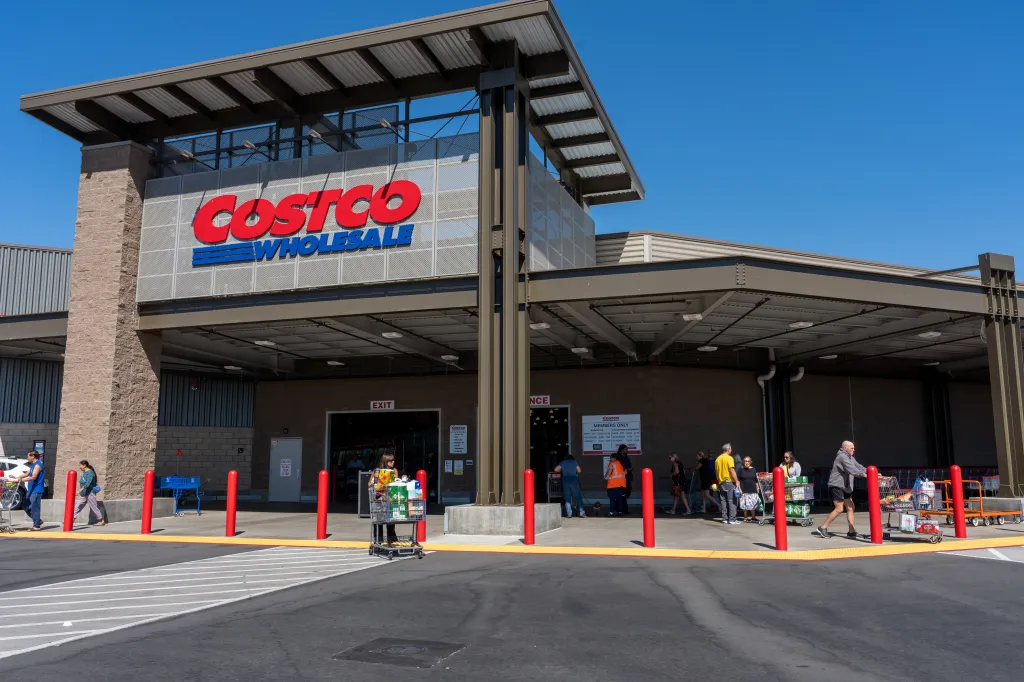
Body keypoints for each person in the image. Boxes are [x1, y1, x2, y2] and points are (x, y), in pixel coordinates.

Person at [817, 441, 868, 539]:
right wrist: (865, 475)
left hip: (845, 487)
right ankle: (822, 527)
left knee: (850, 507)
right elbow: (851, 470)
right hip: (837, 486)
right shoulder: (842, 457)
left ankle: (851, 532)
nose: (854, 450)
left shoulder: (850, 458)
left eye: (854, 448)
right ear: (845, 448)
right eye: (851, 448)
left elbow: (858, 467)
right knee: (839, 508)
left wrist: (871, 472)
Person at [369, 453, 399, 544]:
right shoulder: (377, 471)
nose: (393, 462)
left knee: (390, 521)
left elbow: (396, 481)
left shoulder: (394, 470)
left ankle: (392, 540)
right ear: (385, 461)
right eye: (390, 461)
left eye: (393, 460)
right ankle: (378, 540)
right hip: (379, 497)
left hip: (390, 497)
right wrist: (373, 483)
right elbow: (369, 483)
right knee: (378, 520)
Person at [16, 450, 45, 531]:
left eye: (28, 456)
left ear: (33, 456)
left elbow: (34, 477)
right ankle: (38, 520)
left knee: (34, 507)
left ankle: (36, 526)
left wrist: (23, 480)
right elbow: (27, 474)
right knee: (25, 505)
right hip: (31, 490)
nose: (27, 458)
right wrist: (18, 477)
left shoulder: (38, 465)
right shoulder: (33, 465)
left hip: (36, 489)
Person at [714, 444, 741, 525]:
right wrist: (736, 481)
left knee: (723, 500)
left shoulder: (718, 459)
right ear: (728, 449)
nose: (731, 450)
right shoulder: (729, 458)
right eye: (731, 449)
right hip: (729, 481)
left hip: (721, 482)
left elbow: (716, 471)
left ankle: (725, 518)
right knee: (732, 500)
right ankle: (732, 519)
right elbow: (732, 470)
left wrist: (719, 480)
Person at [74, 460, 106, 526]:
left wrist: (79, 491)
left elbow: (87, 484)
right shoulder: (84, 473)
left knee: (94, 507)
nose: (80, 467)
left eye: (80, 466)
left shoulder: (90, 473)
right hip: (83, 494)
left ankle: (101, 521)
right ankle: (71, 520)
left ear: (84, 465)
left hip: (90, 493)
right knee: (77, 507)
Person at [554, 453, 586, 518]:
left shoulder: (563, 462)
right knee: (578, 497)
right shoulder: (574, 462)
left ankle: (569, 514)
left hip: (565, 480)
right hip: (573, 479)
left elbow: (556, 469)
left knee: (567, 498)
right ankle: (581, 513)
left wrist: (562, 470)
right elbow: (579, 471)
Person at [737, 456, 759, 522]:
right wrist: (739, 489)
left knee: (753, 503)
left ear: (750, 462)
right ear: (743, 462)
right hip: (743, 489)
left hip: (752, 489)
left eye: (748, 461)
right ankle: (745, 517)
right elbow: (738, 480)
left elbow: (756, 480)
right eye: (745, 461)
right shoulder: (741, 469)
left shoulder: (753, 469)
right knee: (744, 504)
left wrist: (757, 488)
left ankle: (753, 517)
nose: (747, 462)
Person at [615, 445, 633, 514]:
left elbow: (628, 466)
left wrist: (629, 470)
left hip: (627, 479)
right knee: (621, 495)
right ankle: (620, 509)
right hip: (620, 480)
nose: (627, 451)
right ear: (621, 450)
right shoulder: (618, 458)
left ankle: (624, 509)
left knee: (625, 494)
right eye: (625, 449)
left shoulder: (626, 458)